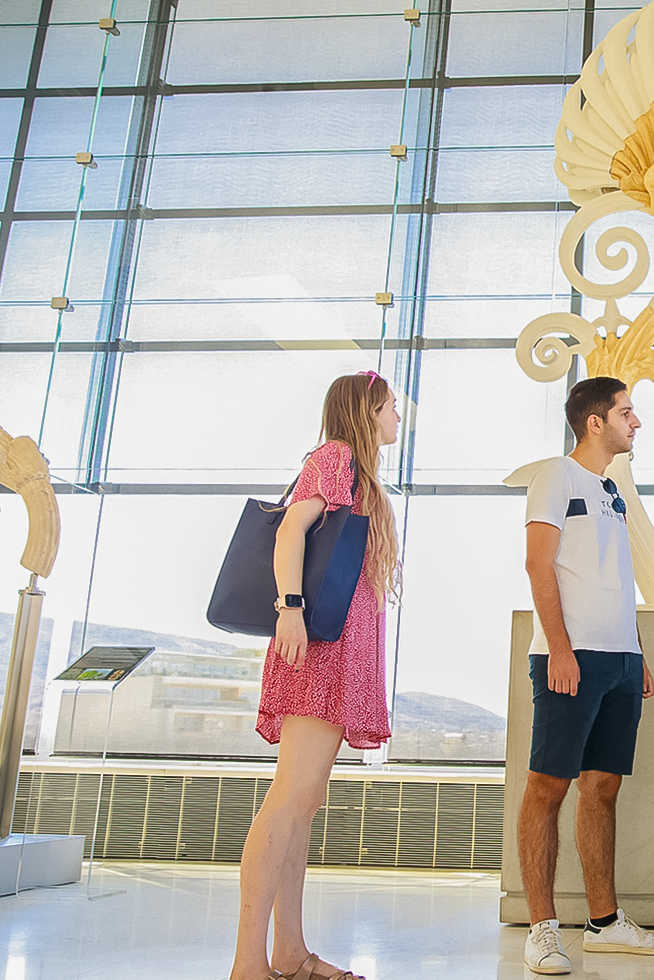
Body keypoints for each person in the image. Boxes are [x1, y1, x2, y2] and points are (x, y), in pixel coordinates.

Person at [231, 370, 401, 980]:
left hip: (337, 649)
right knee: (289, 800)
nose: (397, 418)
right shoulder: (335, 457)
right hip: (318, 649)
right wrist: (291, 607)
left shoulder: (358, 472)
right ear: (367, 411)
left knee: (302, 802)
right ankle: (248, 964)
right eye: (390, 407)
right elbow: (290, 529)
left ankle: (290, 953)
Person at [517, 376, 654, 975]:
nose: (636, 422)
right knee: (547, 787)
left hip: (620, 661)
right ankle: (541, 930)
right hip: (570, 657)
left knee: (603, 788)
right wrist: (559, 648)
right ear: (595, 422)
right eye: (626, 413)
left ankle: (604, 924)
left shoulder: (612, 491)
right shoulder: (555, 476)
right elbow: (538, 565)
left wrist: (638, 652)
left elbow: (616, 578)